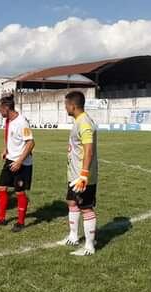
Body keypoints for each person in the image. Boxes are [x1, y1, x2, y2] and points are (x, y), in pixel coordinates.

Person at [57, 91, 99, 256]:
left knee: (86, 208)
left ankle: (89, 246)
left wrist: (84, 174)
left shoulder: (84, 123)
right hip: (74, 175)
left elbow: (89, 150)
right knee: (72, 202)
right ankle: (73, 236)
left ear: (72, 106)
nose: (65, 107)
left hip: (82, 177)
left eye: (66, 104)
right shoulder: (79, 121)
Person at [0, 95, 35, 233]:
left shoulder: (22, 122)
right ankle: (1, 218)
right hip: (10, 159)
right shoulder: (8, 121)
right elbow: (12, 138)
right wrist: (6, 149)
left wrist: (19, 161)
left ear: (7, 108)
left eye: (0, 110)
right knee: (1, 188)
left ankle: (20, 222)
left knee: (19, 192)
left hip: (22, 163)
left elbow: (30, 143)